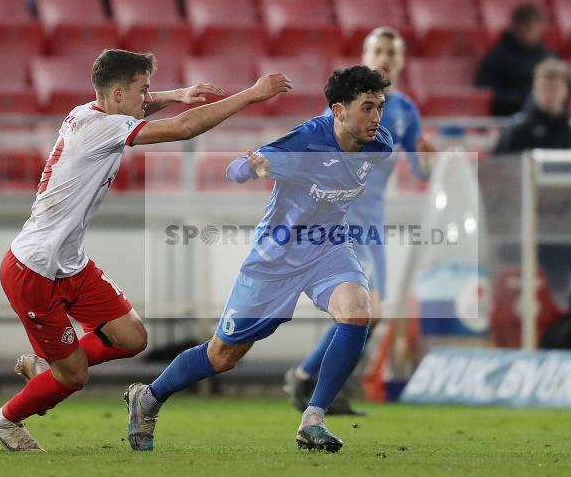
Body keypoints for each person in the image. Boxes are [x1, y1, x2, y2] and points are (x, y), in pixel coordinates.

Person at [0, 49, 291, 452]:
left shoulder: (88, 111)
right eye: (143, 90)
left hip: (70, 264)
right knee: (74, 377)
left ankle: (46, 365)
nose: (148, 97)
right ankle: (5, 420)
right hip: (33, 271)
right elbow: (181, 129)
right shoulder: (100, 128)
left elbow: (139, 103)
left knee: (131, 337)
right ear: (116, 95)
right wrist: (250, 94)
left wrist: (175, 92)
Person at [124, 66, 394, 453]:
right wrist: (253, 166)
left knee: (357, 310)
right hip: (276, 257)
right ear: (338, 110)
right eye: (367, 108)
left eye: (380, 107)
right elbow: (236, 168)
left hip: (329, 247)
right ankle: (148, 397)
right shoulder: (306, 141)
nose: (376, 118)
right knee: (222, 356)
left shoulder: (379, 146)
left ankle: (313, 419)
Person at [283, 27, 435, 416]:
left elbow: (419, 171)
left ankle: (307, 377)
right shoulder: (344, 106)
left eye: (392, 52)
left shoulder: (405, 111)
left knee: (373, 311)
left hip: (374, 226)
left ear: (401, 62)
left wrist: (428, 160)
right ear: (367, 55)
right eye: (379, 50)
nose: (385, 58)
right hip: (343, 220)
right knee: (364, 307)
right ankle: (313, 384)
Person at [493, 58, 571, 302]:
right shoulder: (516, 133)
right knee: (516, 303)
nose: (548, 95)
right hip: (520, 235)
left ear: (565, 91)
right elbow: (496, 180)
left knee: (558, 301)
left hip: (562, 238)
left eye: (554, 88)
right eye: (543, 88)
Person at [475, 3, 551, 116]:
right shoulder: (497, 57)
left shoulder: (548, 57)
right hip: (506, 118)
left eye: (534, 25)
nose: (529, 30)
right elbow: (487, 94)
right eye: (525, 25)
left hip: (544, 118)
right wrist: (526, 98)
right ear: (514, 26)